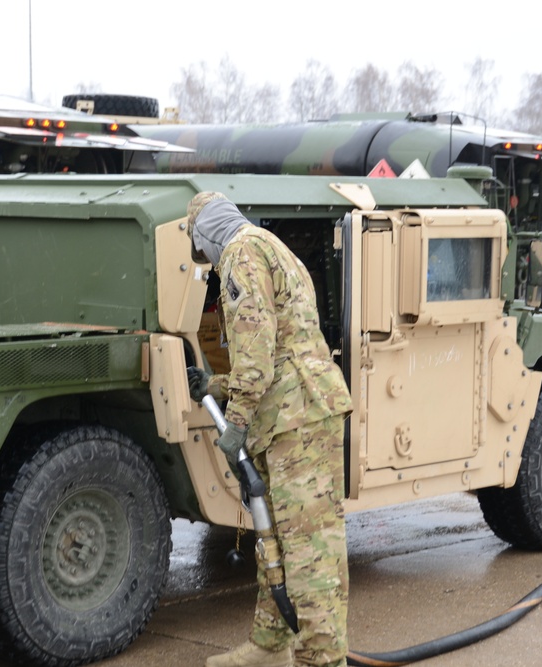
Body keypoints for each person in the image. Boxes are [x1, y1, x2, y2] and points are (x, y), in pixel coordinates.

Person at [185, 192, 352, 667]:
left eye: (203, 253)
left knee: (309, 552)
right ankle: (270, 645)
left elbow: (256, 345)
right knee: (275, 541)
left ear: (205, 234)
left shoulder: (240, 253)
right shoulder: (268, 246)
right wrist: (216, 385)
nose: (209, 265)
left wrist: (235, 419)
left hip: (296, 417)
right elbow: (281, 346)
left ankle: (321, 659)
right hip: (294, 409)